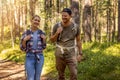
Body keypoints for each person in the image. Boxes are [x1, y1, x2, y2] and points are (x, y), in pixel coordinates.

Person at [50, 8, 83, 80]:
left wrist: (80, 54)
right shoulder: (56, 26)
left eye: (65, 16)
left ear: (70, 16)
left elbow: (78, 41)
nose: (63, 17)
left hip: (71, 53)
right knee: (61, 75)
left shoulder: (76, 27)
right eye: (62, 15)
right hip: (59, 53)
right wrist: (57, 33)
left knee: (74, 73)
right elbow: (52, 40)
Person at [20, 15, 46, 80]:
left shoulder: (41, 32)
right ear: (31, 21)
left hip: (40, 57)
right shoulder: (26, 33)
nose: (37, 22)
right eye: (35, 20)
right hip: (29, 57)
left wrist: (44, 40)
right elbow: (22, 48)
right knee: (30, 78)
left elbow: (44, 47)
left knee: (37, 78)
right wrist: (24, 40)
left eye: (38, 21)